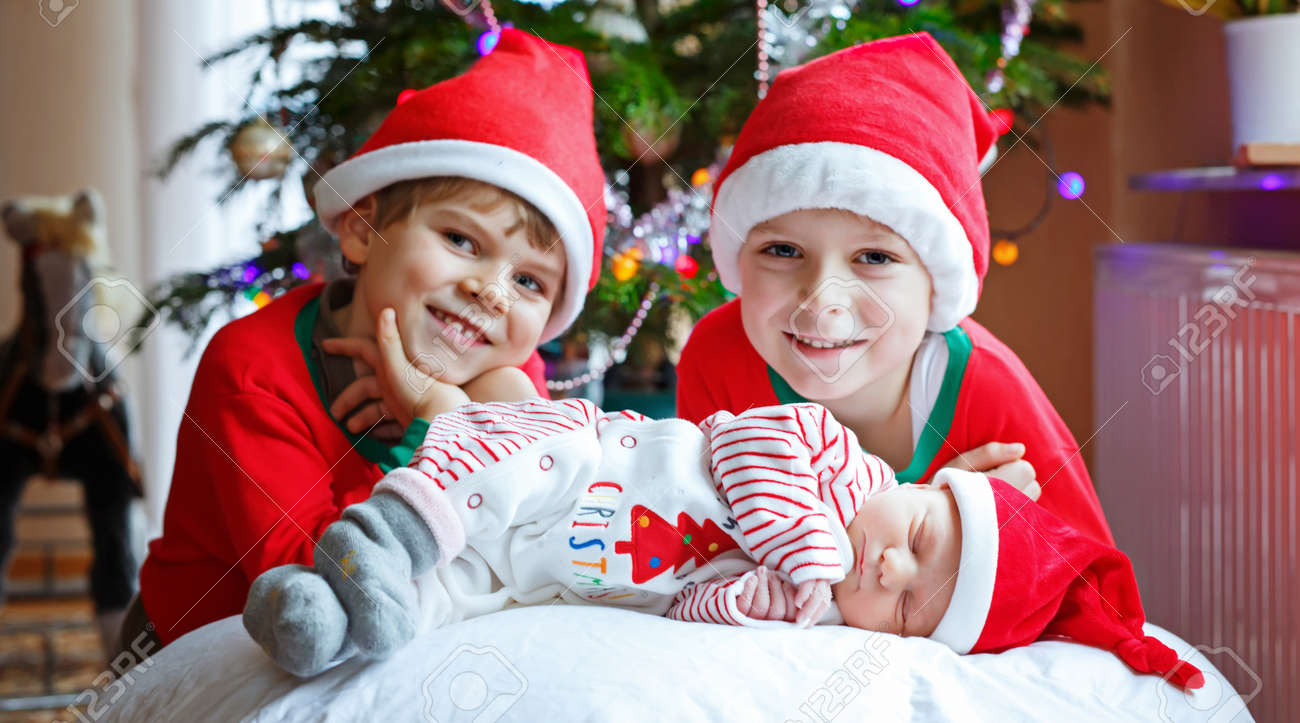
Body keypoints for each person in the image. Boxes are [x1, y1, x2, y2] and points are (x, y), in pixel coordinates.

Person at [243, 312, 1202, 695]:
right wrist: (805, 552)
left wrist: (766, 601)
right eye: (916, 535)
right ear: (919, 488)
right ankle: (382, 534)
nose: (889, 566)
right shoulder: (837, 460)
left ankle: (322, 618)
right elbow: (744, 444)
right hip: (587, 468)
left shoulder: (821, 614)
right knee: (493, 472)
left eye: (912, 603)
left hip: (560, 571)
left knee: (451, 597)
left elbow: (696, 607)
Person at [127, 29, 607, 651]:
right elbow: (320, 586)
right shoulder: (254, 369)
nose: (493, 293)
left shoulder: (506, 380)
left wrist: (492, 412)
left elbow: (550, 549)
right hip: (208, 648)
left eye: (529, 281)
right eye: (462, 241)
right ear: (360, 231)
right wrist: (437, 430)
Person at [675, 32, 1112, 544]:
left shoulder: (989, 395)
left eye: (875, 258)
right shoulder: (717, 360)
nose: (823, 303)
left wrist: (988, 547)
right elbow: (699, 556)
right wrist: (918, 523)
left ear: (935, 285)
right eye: (783, 250)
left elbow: (1098, 585)